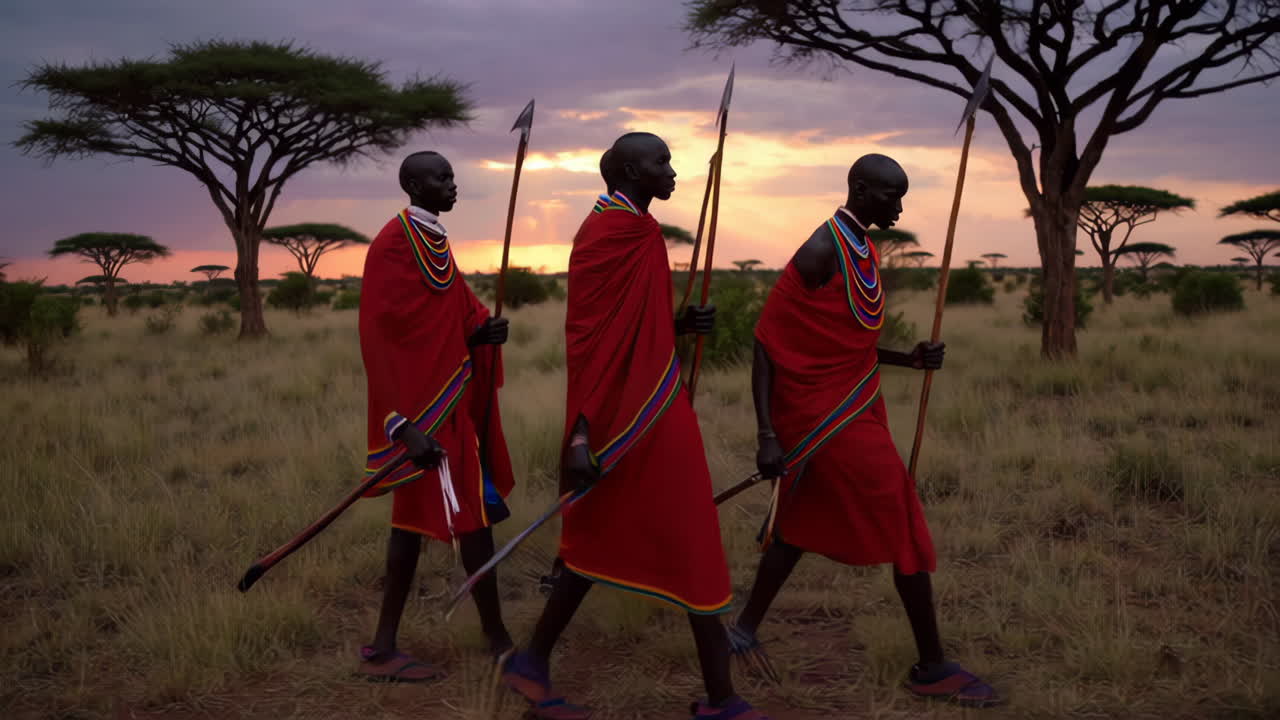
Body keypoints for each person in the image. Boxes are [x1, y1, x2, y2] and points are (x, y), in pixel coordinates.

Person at [500, 133, 771, 720]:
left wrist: (676, 324)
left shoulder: (631, 228)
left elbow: (632, 326)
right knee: (693, 536)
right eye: (660, 162)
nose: (672, 172)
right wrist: (579, 433)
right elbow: (590, 341)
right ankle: (722, 700)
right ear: (628, 170)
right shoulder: (612, 232)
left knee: (599, 532)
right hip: (630, 416)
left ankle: (531, 664)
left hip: (649, 402)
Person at [727, 153, 1001, 708]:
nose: (898, 206)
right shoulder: (820, 249)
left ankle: (742, 628)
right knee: (902, 519)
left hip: (854, 402)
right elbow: (766, 343)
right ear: (858, 188)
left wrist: (909, 357)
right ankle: (932, 667)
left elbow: (842, 344)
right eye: (888, 195)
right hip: (820, 416)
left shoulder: (861, 247)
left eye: (901, 196)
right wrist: (766, 435)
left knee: (801, 517)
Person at [356, 150, 517, 681]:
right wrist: (401, 424)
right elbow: (383, 339)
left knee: (412, 526)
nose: (453, 185)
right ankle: (499, 641)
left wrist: (481, 334)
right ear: (411, 183)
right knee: (468, 520)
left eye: (453, 174)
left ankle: (384, 645)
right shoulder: (392, 244)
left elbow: (449, 321)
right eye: (442, 177)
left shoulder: (436, 241)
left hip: (446, 408)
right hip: (422, 416)